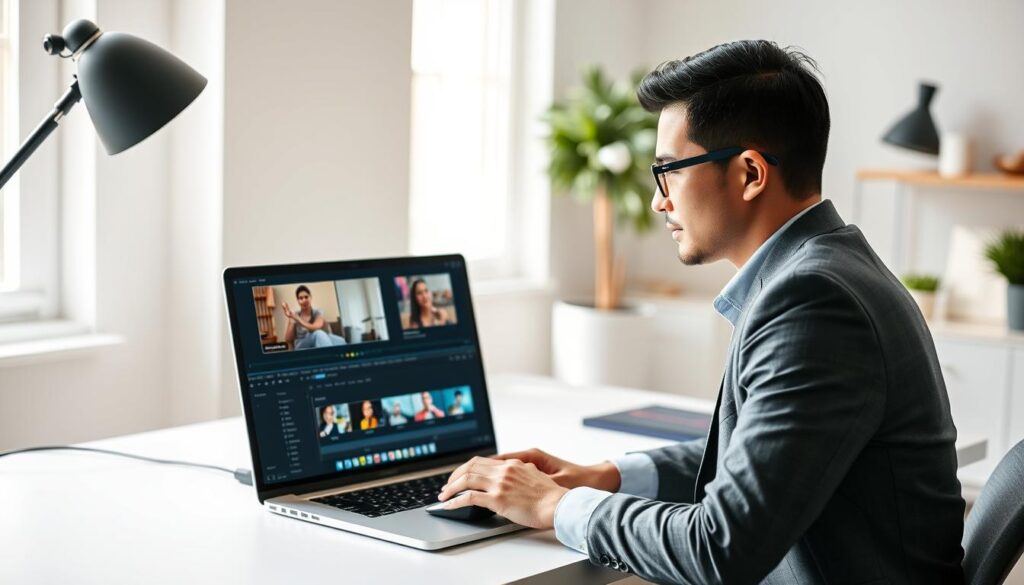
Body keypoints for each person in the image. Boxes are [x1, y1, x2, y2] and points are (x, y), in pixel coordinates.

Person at [437, 41, 965, 585]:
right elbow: (762, 458)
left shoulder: (815, 302)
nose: (657, 200)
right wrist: (604, 476)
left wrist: (554, 507)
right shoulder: (831, 268)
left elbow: (719, 548)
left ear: (750, 173)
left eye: (669, 171)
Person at [282, 285, 347, 350]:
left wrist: (297, 319)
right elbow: (288, 339)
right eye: (301, 298)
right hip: (302, 343)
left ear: (310, 297)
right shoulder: (295, 314)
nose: (304, 300)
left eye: (306, 297)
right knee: (319, 333)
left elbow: (315, 327)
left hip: (318, 338)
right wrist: (291, 318)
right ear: (298, 301)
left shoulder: (318, 312)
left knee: (341, 341)